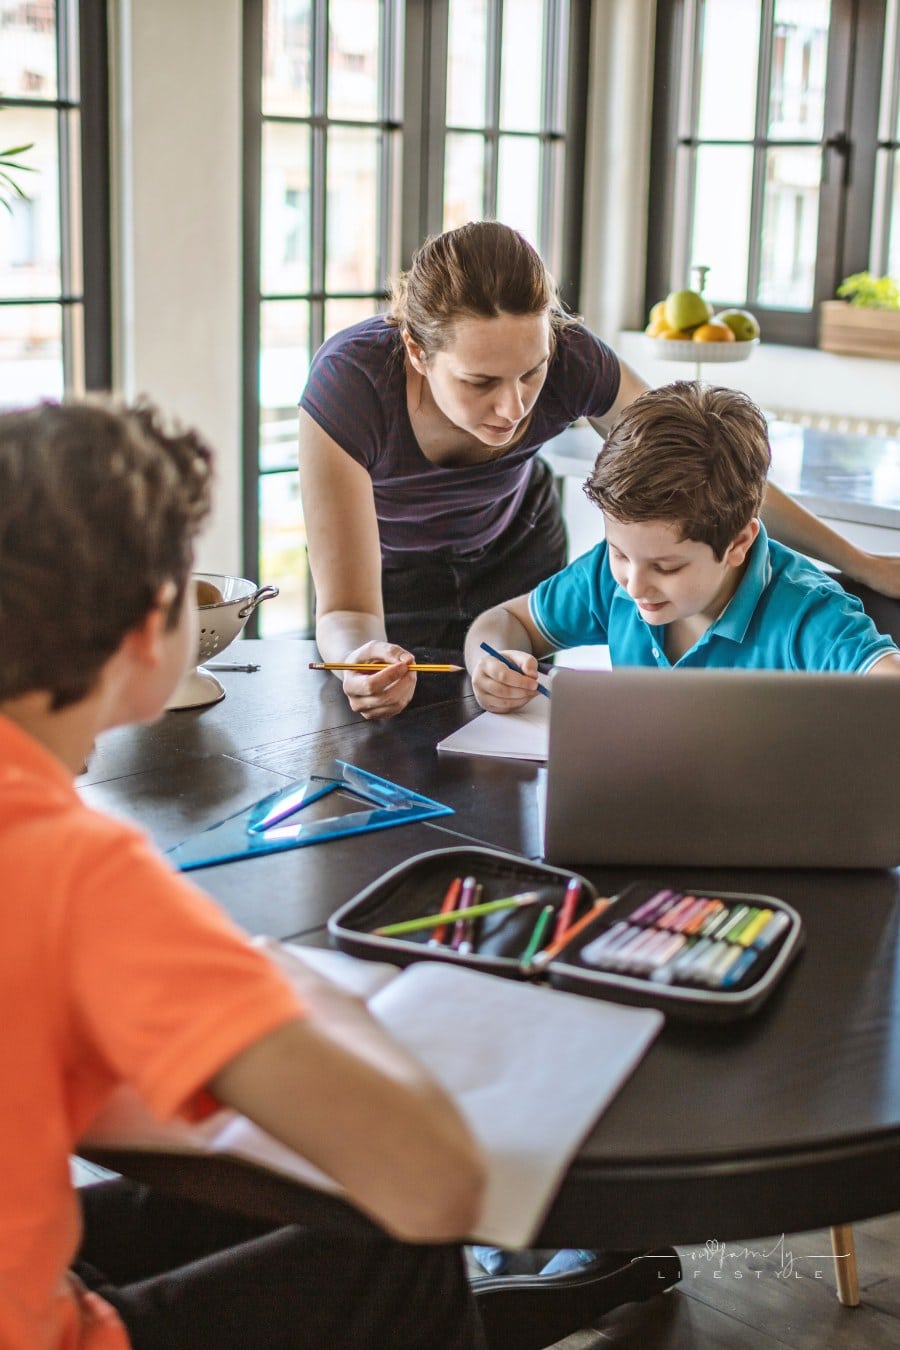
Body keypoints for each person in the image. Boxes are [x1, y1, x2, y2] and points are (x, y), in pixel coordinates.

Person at [0, 398, 489, 1350]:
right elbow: (439, 1181)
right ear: (152, 629)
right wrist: (305, 990)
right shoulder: (69, 869)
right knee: (405, 1244)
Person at [299, 220, 900, 722]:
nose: (514, 408)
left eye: (531, 372)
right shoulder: (350, 387)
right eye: (480, 382)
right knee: (390, 732)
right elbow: (347, 610)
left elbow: (710, 474)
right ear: (415, 351)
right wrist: (364, 661)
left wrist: (861, 564)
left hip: (516, 545)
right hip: (396, 574)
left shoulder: (574, 359)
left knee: (505, 725)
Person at [465, 380, 900, 709]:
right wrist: (494, 664)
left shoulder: (807, 614)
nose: (634, 585)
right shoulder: (609, 575)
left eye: (667, 567)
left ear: (738, 543)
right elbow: (505, 620)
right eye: (619, 553)